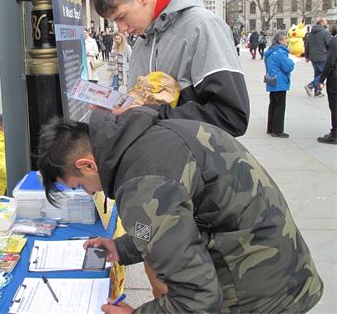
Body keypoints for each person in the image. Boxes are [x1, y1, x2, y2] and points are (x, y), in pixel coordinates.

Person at [36, 108, 323, 314]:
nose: (87, 192)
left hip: (258, 291)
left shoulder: (142, 185)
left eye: (78, 185)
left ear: (88, 165)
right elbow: (171, 224)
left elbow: (197, 298)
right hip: (279, 260)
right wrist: (120, 248)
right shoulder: (149, 134)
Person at [93, 0, 249, 137]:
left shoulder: (203, 27)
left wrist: (150, 114)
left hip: (191, 159)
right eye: (114, 22)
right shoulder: (141, 42)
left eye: (121, 17)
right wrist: (116, 107)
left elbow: (231, 117)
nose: (121, 29)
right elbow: (141, 106)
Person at [264, 31, 294, 138]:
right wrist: (292, 62)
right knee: (280, 106)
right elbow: (288, 67)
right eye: (285, 38)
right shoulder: (280, 53)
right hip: (280, 82)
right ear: (280, 40)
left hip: (272, 80)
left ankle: (270, 128)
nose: (287, 40)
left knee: (273, 104)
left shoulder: (270, 52)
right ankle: (277, 130)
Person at [316, 21, 337, 144]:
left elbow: (330, 62)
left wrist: (321, 79)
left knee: (334, 107)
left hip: (334, 79)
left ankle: (335, 134)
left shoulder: (335, 41)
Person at [304, 17, 332, 97]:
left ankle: (317, 91)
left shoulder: (311, 33)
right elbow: (330, 44)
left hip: (313, 57)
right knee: (324, 74)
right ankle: (311, 85)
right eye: (326, 22)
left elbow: (307, 44)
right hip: (323, 56)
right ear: (322, 23)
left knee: (317, 74)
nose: (327, 23)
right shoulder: (325, 32)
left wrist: (307, 56)